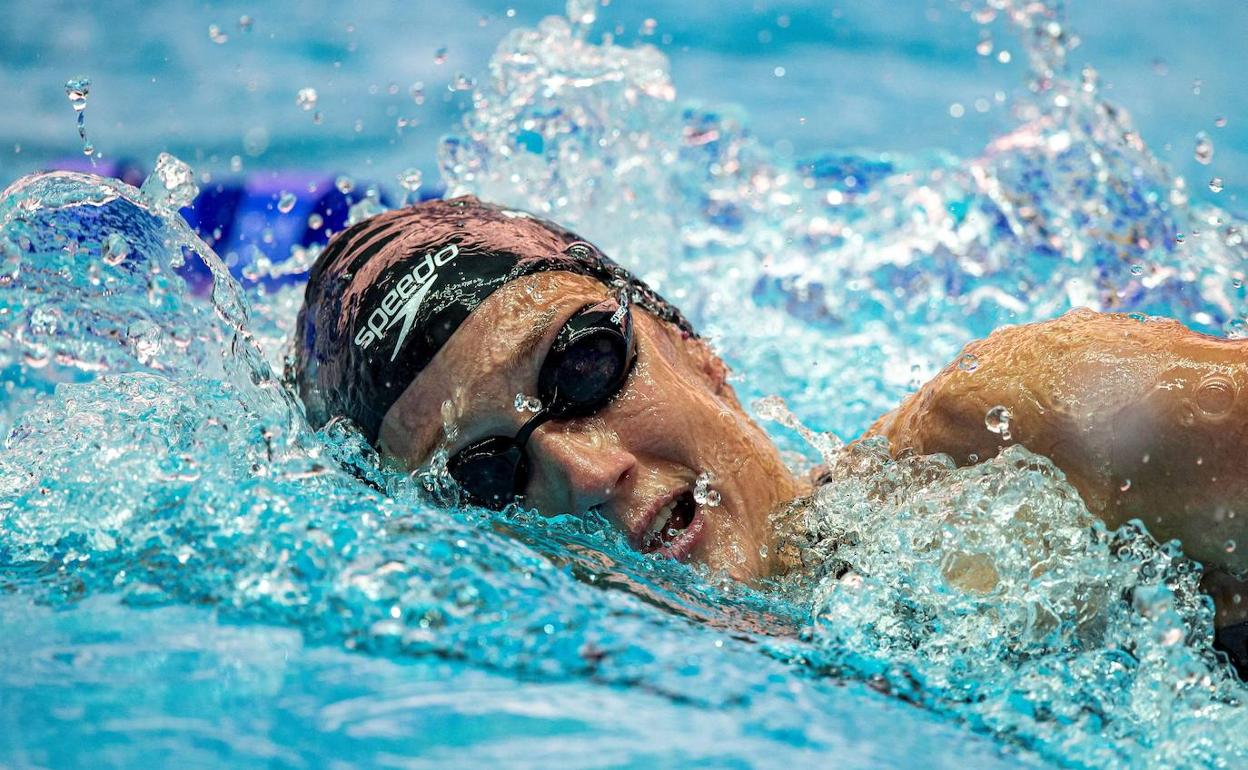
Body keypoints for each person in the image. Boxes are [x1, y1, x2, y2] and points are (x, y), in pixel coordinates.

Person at [292, 196, 1248, 669]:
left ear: (691, 345)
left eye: (581, 367)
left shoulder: (1021, 435)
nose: (580, 473)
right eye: (484, 474)